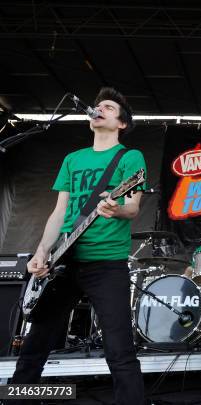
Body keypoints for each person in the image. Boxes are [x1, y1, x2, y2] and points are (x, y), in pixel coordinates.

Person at [10, 88, 146, 404]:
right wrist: (43, 251)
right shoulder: (72, 159)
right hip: (64, 262)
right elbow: (59, 212)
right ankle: (15, 398)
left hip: (106, 264)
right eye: (97, 105)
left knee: (119, 349)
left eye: (109, 107)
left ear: (121, 123)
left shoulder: (130, 158)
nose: (99, 108)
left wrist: (117, 208)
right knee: (35, 344)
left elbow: (133, 205)